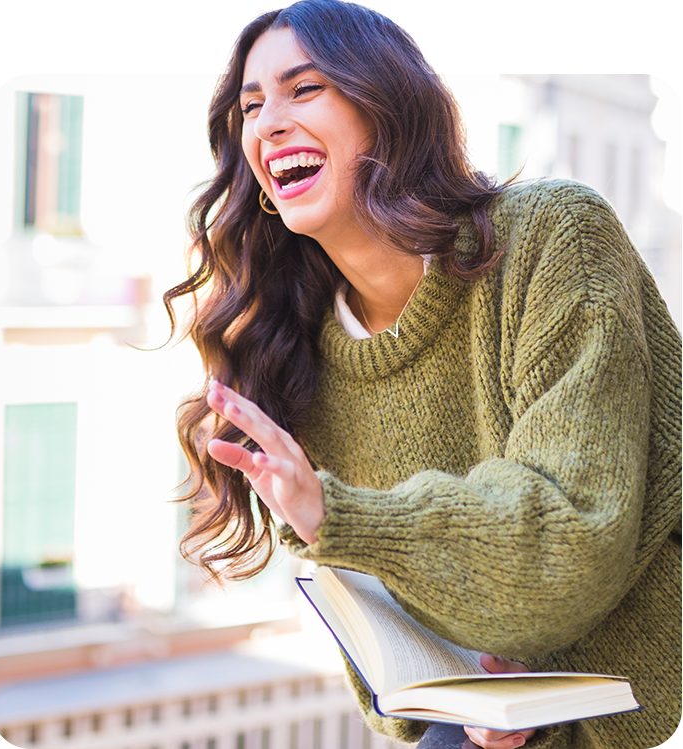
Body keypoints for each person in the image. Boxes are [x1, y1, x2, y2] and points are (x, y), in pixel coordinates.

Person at [164, 2, 682, 747]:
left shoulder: (553, 238)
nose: (268, 123)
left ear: (388, 109)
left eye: (304, 89)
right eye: (251, 106)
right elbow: (388, 687)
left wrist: (340, 518)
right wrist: (464, 697)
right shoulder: (290, 360)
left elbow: (570, 547)